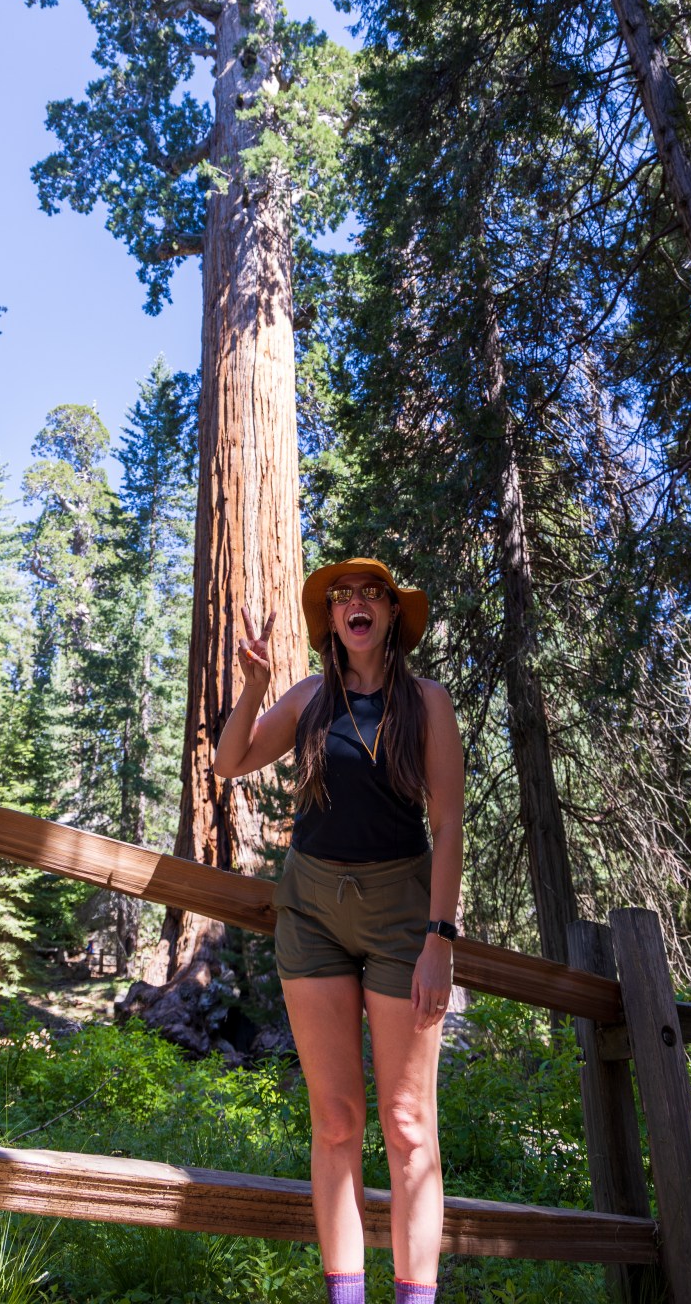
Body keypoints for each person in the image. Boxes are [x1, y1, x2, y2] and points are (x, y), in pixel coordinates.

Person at [213, 557, 464, 1304]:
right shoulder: (309, 699)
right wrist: (256, 687)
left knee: (409, 1124)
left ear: (391, 614)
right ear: (330, 621)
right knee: (335, 1119)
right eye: (341, 597)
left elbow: (448, 826)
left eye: (370, 596)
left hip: (400, 916)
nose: (355, 604)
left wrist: (438, 941)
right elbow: (230, 761)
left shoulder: (427, 703)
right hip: (312, 912)